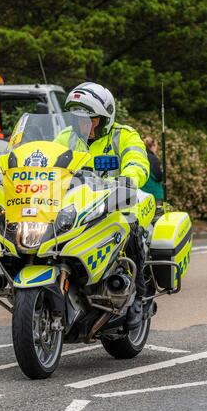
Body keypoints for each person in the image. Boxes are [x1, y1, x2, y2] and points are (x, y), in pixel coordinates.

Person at [63, 82, 150, 330]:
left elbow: (138, 161)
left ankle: (137, 299)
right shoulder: (65, 138)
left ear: (104, 118)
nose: (84, 124)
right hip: (77, 204)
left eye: (90, 119)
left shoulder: (123, 135)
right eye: (78, 118)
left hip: (118, 199)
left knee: (129, 226)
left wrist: (128, 179)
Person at [142, 136, 164, 204]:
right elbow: (158, 177)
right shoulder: (153, 159)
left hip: (143, 193)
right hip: (154, 193)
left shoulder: (141, 156)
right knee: (157, 213)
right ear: (153, 146)